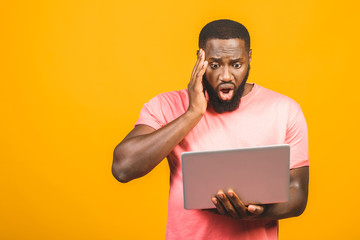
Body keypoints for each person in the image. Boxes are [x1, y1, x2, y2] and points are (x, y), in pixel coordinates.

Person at [112, 19, 309, 240]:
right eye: (215, 65)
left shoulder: (284, 110)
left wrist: (253, 213)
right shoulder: (166, 106)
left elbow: (298, 194)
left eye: (236, 64)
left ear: (249, 58)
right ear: (201, 58)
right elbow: (123, 168)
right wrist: (192, 113)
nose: (226, 76)